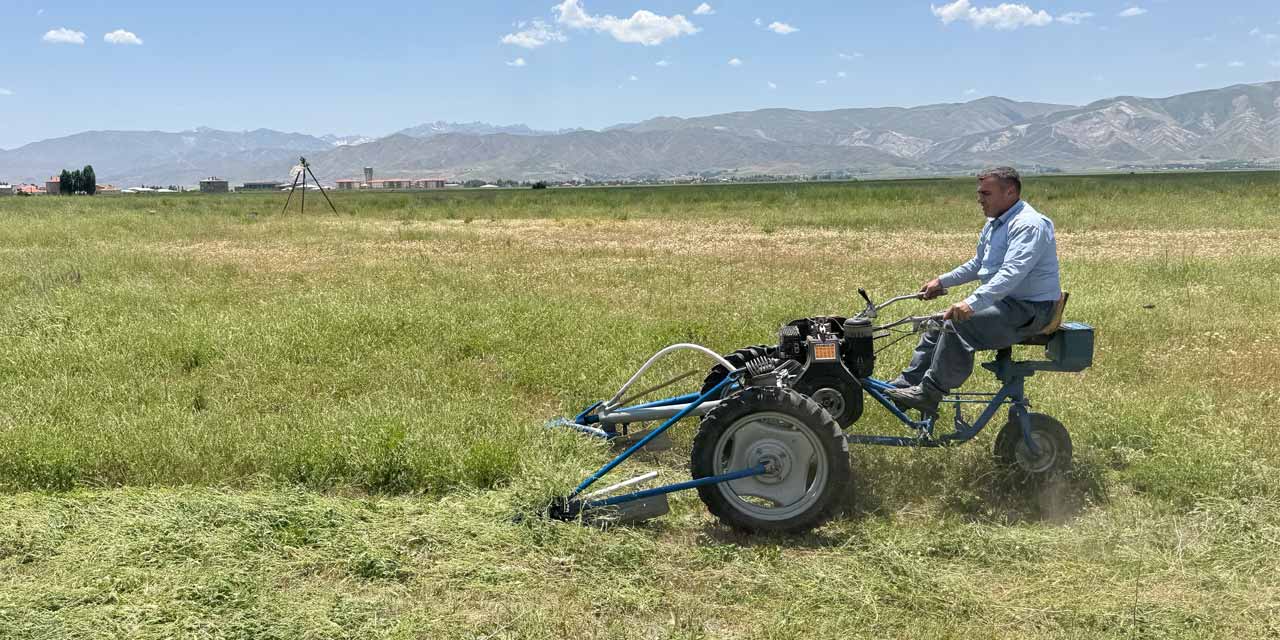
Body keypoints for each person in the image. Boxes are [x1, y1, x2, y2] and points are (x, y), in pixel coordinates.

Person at [884, 166, 1062, 416]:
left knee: (958, 323)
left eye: (986, 193)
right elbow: (979, 264)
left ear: (1010, 192)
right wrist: (942, 281)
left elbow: (1011, 274)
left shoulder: (1029, 225)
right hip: (1005, 304)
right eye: (979, 193)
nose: (979, 199)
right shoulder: (995, 223)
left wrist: (971, 303)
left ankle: (930, 393)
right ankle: (907, 385)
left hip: (1030, 310)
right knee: (937, 321)